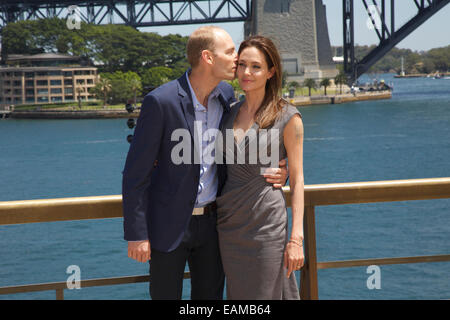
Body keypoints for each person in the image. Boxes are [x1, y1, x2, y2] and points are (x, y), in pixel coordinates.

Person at [122, 26, 288, 300]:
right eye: (230, 52)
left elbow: (248, 151)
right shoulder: (160, 102)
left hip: (215, 226)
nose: (237, 59)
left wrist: (284, 172)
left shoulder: (226, 97)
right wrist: (137, 234)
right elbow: (135, 174)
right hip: (167, 226)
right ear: (208, 58)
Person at [216, 35, 305, 300]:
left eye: (256, 66)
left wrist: (296, 239)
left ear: (271, 71)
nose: (246, 72)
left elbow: (298, 179)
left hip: (266, 223)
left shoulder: (289, 117)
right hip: (229, 224)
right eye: (242, 64)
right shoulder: (228, 112)